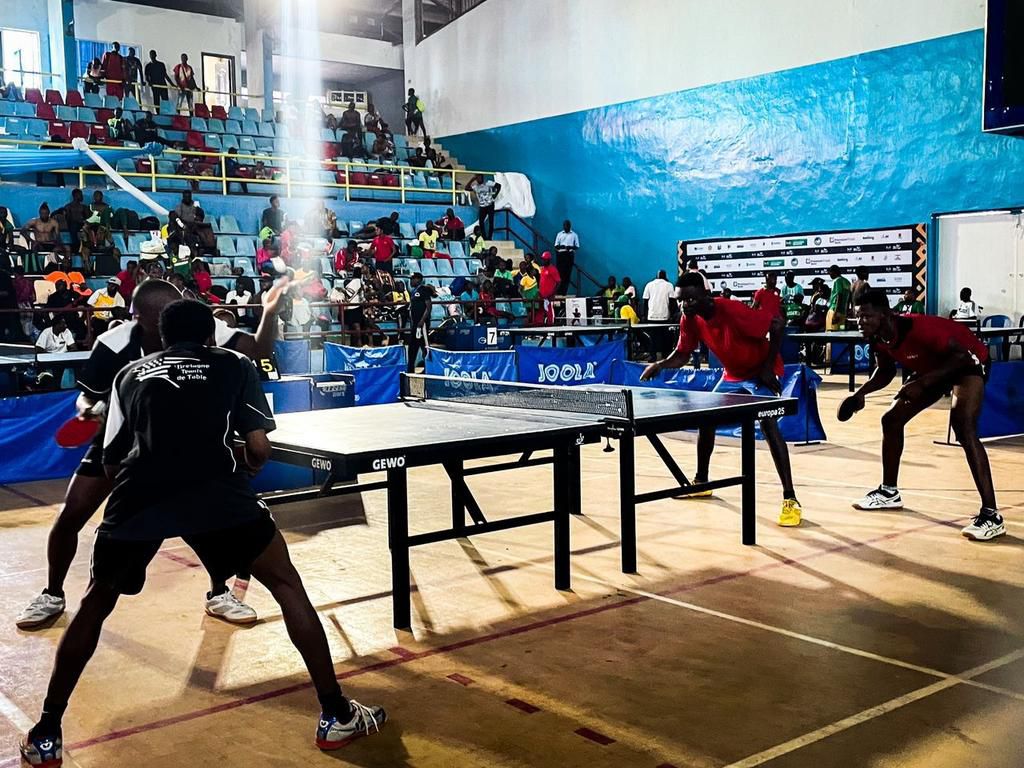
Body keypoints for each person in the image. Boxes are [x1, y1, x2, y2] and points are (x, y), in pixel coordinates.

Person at [18, 299, 387, 767]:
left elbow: (112, 459)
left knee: (96, 601)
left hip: (138, 497)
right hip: (219, 496)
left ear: (165, 337)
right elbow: (258, 446)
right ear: (210, 335)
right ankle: (336, 714)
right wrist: (247, 466)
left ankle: (47, 731)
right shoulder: (235, 363)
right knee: (287, 585)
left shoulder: (129, 374)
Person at [14, 278, 290, 632]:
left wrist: (269, 312)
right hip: (119, 442)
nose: (129, 316)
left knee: (206, 520)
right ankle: (52, 594)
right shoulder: (113, 344)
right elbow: (85, 395)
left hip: (185, 446)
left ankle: (219, 593)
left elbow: (257, 350)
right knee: (72, 514)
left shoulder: (200, 325)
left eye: (138, 312)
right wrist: (89, 411)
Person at [641, 272, 803, 527]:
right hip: (734, 375)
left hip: (761, 372)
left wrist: (768, 367)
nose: (685, 306)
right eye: (681, 301)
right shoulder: (689, 319)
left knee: (768, 425)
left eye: (691, 300)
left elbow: (777, 325)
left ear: (706, 295)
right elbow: (682, 354)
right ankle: (701, 483)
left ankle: (790, 499)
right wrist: (660, 364)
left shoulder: (731, 309)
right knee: (707, 416)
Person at [840, 289, 1002, 541]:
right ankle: (889, 492)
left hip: (968, 363)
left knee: (964, 428)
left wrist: (923, 383)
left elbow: (961, 357)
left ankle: (991, 515)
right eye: (858, 317)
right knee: (891, 420)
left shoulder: (920, 329)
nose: (861, 322)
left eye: (867, 316)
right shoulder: (878, 338)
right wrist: (861, 393)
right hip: (934, 368)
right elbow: (884, 373)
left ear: (885, 314)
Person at [21, 204, 61, 273]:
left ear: (49, 213)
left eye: (45, 213)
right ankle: (36, 269)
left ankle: (62, 269)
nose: (44, 215)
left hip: (51, 243)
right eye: (42, 213)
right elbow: (23, 230)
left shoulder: (54, 222)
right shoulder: (34, 222)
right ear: (39, 213)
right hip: (40, 244)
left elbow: (57, 236)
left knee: (65, 248)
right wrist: (32, 240)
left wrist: (57, 243)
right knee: (34, 246)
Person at [406, 272, 433, 372]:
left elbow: (429, 306)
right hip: (415, 324)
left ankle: (429, 368)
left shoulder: (423, 290)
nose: (411, 281)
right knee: (412, 347)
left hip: (422, 324)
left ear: (418, 279)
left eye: (413, 279)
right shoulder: (414, 291)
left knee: (425, 346)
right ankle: (410, 369)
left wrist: (422, 320)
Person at [553, 220, 579, 294]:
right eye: (565, 225)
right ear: (563, 226)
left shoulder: (574, 235)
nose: (566, 227)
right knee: (559, 273)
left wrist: (570, 247)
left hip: (569, 255)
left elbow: (577, 246)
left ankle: (564, 291)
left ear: (570, 226)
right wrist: (562, 246)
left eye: (567, 225)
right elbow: (556, 246)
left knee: (567, 274)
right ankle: (558, 291)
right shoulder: (559, 234)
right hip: (561, 255)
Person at [472, 175, 501, 239]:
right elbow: (466, 188)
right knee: (481, 222)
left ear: (483, 178)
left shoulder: (488, 183)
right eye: (477, 178)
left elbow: (499, 186)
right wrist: (472, 179)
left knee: (491, 221)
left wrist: (495, 195)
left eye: (480, 178)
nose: (479, 179)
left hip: (490, 204)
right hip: (482, 206)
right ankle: (484, 237)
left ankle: (490, 237)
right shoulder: (476, 187)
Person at [826, 265, 851, 331]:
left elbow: (839, 296)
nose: (829, 275)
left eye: (830, 273)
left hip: (834, 310)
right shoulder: (847, 282)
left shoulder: (837, 281)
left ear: (834, 272)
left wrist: (835, 314)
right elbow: (849, 299)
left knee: (831, 333)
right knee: (841, 332)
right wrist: (846, 311)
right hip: (843, 313)